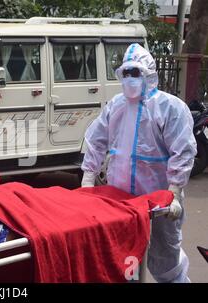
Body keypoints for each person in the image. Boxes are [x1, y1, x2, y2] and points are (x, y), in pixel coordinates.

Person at [80, 43, 197, 283]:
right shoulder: (116, 105)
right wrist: (88, 178)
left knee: (165, 258)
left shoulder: (170, 107)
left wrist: (174, 192)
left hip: (159, 200)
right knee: (124, 257)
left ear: (149, 74)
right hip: (121, 200)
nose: (131, 78)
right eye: (127, 73)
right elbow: (95, 140)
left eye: (136, 72)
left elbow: (183, 151)